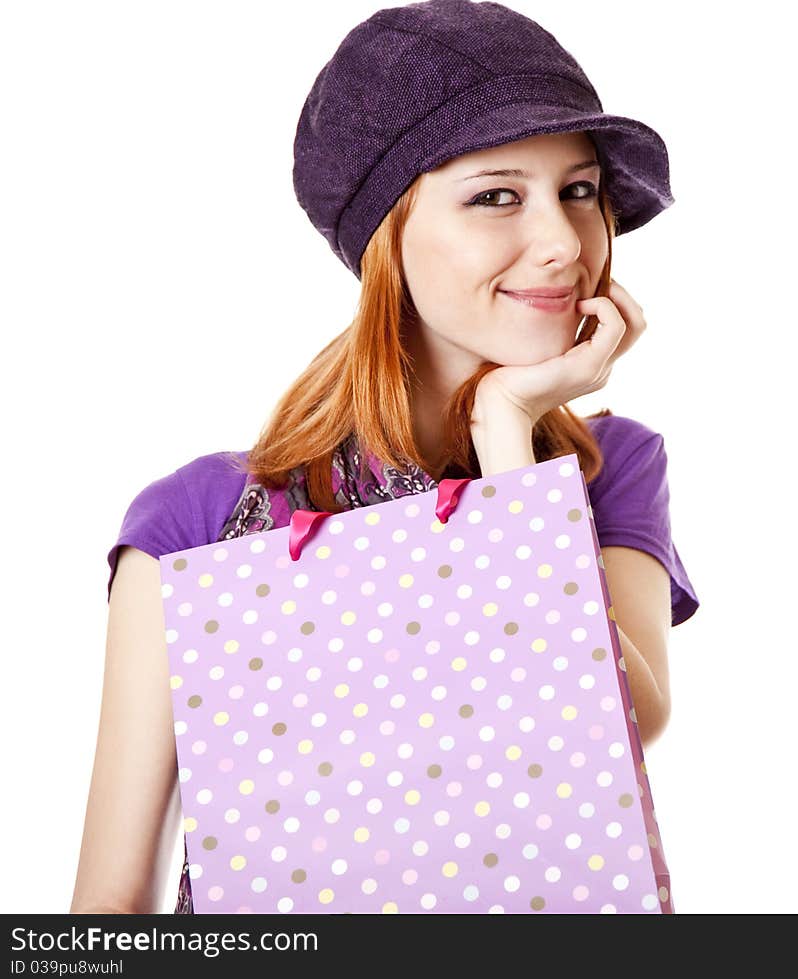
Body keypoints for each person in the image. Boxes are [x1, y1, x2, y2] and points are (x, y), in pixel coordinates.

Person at [71, 0, 699, 915]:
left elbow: (618, 720)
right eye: (497, 195)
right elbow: (109, 906)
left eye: (580, 189)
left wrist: (509, 432)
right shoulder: (197, 522)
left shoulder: (605, 468)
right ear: (386, 238)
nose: (566, 243)